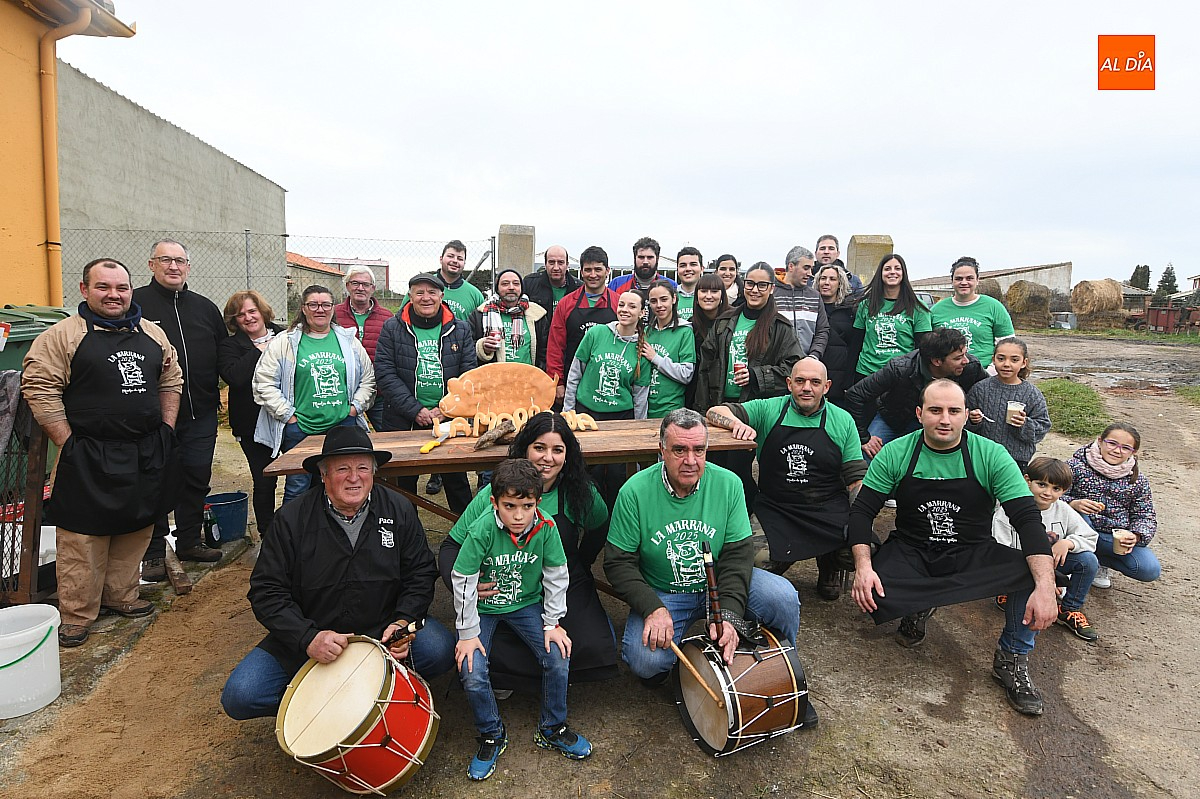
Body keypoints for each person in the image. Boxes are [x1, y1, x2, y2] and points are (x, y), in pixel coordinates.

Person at [848, 380, 1057, 715]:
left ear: (965, 415)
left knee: (1033, 575)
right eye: (935, 410)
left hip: (972, 552)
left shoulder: (991, 455)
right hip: (912, 550)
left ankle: (1011, 658)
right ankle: (918, 605)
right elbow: (861, 511)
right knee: (871, 594)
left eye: (953, 411)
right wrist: (863, 567)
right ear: (919, 414)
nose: (944, 419)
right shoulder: (897, 451)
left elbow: (1027, 519)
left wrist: (1046, 587)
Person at [220, 426, 454, 720]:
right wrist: (307, 638)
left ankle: (373, 688)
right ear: (323, 474)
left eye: (362, 468)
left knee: (441, 650)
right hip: (313, 637)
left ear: (374, 471)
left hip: (382, 633)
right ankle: (328, 705)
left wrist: (403, 619)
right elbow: (266, 591)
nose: (354, 477)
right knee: (242, 695)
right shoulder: (291, 520)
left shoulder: (399, 509)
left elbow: (420, 572)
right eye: (342, 468)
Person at [604, 410, 809, 724]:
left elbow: (739, 556)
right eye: (679, 450)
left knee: (782, 597)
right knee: (643, 660)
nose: (690, 460)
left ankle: (784, 674)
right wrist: (653, 608)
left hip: (722, 580)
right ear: (661, 450)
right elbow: (618, 563)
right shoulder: (634, 491)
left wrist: (727, 612)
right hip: (666, 590)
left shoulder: (727, 484)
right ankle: (678, 667)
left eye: (698, 450)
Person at [22, 258, 182, 646]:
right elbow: (39, 386)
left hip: (144, 450)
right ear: (84, 289)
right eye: (103, 287)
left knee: (136, 526)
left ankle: (122, 596)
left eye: (121, 288)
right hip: (88, 453)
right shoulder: (63, 336)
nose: (114, 295)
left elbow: (171, 378)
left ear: (131, 289)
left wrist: (165, 429)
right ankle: (76, 613)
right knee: (83, 536)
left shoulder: (152, 334)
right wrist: (67, 442)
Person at [438, 412, 616, 691]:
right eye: (539, 448)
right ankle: (509, 679)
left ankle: (555, 682)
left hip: (560, 582)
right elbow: (451, 546)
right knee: (493, 646)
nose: (548, 458)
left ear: (567, 455)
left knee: (590, 643)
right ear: (525, 449)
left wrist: (582, 562)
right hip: (510, 584)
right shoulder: (496, 494)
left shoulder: (581, 491)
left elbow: (600, 526)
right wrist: (463, 586)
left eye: (557, 450)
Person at [450, 458, 593, 780]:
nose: (518, 515)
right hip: (484, 609)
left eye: (526, 506)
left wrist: (552, 622)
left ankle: (552, 727)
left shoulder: (547, 527)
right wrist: (467, 632)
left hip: (525, 603)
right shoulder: (482, 528)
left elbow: (557, 575)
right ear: (494, 502)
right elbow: (462, 579)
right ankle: (491, 733)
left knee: (558, 656)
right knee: (471, 668)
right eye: (509, 506)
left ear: (537, 503)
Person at [705, 359, 867, 600]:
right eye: (800, 381)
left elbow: (856, 481)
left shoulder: (842, 420)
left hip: (827, 509)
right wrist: (738, 424)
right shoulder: (769, 409)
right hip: (778, 509)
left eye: (815, 382)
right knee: (752, 560)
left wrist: (862, 530)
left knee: (862, 549)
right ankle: (780, 562)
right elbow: (714, 412)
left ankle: (830, 566)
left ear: (827, 386)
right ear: (789, 383)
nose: (807, 388)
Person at [134, 239, 226, 580]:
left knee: (196, 476)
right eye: (166, 260)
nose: (173, 267)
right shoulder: (137, 304)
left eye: (180, 261)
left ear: (188, 267)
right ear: (151, 264)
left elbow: (224, 352)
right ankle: (155, 553)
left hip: (201, 411)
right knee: (155, 480)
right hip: (152, 415)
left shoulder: (205, 308)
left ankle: (189, 540)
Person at [693, 263, 803, 511]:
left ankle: (749, 513)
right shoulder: (725, 320)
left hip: (753, 411)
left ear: (772, 289)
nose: (755, 290)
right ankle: (727, 517)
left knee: (739, 470)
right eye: (750, 284)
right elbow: (705, 369)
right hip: (719, 409)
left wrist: (756, 376)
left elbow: (794, 369)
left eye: (762, 285)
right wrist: (702, 410)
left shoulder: (780, 327)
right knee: (715, 468)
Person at [252, 285, 375, 503]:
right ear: (303, 309)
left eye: (326, 304)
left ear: (333, 308)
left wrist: (354, 408)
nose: (320, 309)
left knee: (341, 484)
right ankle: (294, 535)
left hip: (342, 426)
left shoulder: (348, 341)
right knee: (297, 489)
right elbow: (264, 382)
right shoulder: (285, 342)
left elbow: (368, 378)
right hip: (300, 429)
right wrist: (288, 415)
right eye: (313, 305)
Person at [374, 272, 476, 513]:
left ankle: (464, 533)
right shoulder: (392, 328)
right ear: (410, 296)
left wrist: (445, 409)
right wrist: (415, 410)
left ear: (442, 295)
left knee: (456, 480)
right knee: (403, 484)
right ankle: (406, 535)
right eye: (419, 292)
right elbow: (385, 374)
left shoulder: (460, 329)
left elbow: (468, 374)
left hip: (449, 418)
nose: (426, 298)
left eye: (432, 292)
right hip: (403, 418)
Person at [993, 457, 1100, 642]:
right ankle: (1007, 593)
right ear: (1027, 481)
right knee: (1024, 607)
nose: (1047, 493)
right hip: (1018, 567)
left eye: (1056, 488)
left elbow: (1090, 537)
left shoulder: (1063, 509)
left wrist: (1067, 543)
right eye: (1042, 484)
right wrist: (1046, 582)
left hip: (1052, 564)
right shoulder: (1007, 510)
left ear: (1064, 491)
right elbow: (1000, 549)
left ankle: (1069, 609)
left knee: (1088, 561)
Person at [844, 327, 987, 457]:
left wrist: (975, 411)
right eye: (958, 358)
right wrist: (864, 438)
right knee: (867, 456)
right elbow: (855, 395)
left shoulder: (971, 367)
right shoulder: (900, 368)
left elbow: (991, 387)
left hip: (940, 422)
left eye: (964, 354)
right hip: (894, 420)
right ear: (937, 361)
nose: (965, 361)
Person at [218, 290, 284, 536]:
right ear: (234, 321)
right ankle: (267, 533)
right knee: (265, 479)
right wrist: (261, 350)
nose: (248, 318)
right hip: (252, 424)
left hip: (291, 418)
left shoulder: (286, 335)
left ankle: (293, 525)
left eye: (252, 311)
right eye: (240, 315)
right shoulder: (230, 345)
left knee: (302, 477)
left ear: (262, 311)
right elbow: (234, 377)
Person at [1064, 423, 1161, 590]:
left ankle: (1099, 563)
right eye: (1112, 443)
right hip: (1079, 531)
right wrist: (1073, 503)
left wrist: (1136, 535)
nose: (1117, 450)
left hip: (1112, 537)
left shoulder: (1138, 480)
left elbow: (1145, 515)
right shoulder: (1074, 466)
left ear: (1133, 452)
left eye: (1125, 448)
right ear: (1100, 441)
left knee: (1148, 569)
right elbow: (1049, 495)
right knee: (1078, 517)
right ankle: (1071, 566)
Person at [546, 246, 619, 407]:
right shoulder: (566, 304)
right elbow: (555, 346)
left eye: (598, 269)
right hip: (572, 385)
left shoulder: (618, 303)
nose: (593, 275)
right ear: (581, 271)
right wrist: (557, 382)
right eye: (588, 270)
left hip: (608, 384)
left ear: (607, 271)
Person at [564, 289, 651, 420]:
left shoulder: (643, 348)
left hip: (621, 416)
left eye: (632, 306)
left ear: (642, 313)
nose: (625, 310)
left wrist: (639, 426)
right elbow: (575, 374)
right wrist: (568, 411)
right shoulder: (596, 333)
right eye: (621, 305)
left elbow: (640, 396)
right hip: (585, 411)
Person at [965, 337, 1050, 471]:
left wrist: (1024, 424)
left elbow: (1043, 427)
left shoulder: (1032, 394)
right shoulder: (980, 389)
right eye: (1001, 358)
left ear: (1024, 362)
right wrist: (973, 420)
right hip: (981, 456)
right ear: (993, 360)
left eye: (1014, 360)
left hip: (1016, 460)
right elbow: (962, 423)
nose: (1006, 364)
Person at [333, 266, 394, 432]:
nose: (360, 288)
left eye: (366, 284)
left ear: (373, 288)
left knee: (387, 436)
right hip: (344, 393)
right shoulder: (333, 314)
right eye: (355, 283)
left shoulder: (387, 317)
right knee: (346, 438)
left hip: (378, 390)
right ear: (347, 286)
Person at [853, 253, 932, 380]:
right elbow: (856, 343)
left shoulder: (918, 307)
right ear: (880, 273)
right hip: (867, 372)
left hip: (902, 375)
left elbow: (923, 348)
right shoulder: (866, 305)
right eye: (887, 269)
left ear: (903, 273)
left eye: (897, 268)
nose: (892, 272)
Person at [931, 256, 1015, 366]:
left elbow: (1007, 344)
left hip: (984, 373)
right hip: (946, 375)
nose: (964, 282)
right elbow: (929, 345)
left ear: (977, 280)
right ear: (952, 281)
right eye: (959, 279)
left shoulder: (994, 307)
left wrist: (991, 372)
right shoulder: (937, 309)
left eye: (969, 278)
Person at [470, 268, 550, 370]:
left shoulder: (537, 314)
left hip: (528, 380)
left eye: (516, 284)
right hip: (493, 381)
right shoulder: (480, 314)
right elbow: (467, 347)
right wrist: (482, 347)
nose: (511, 287)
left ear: (521, 288)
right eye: (505, 284)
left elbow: (545, 350)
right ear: (497, 288)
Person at [641, 280, 696, 418]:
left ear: (674, 299)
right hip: (644, 409)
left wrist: (656, 358)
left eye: (664, 299)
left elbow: (687, 374)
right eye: (653, 301)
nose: (659, 305)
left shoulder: (684, 331)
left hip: (671, 409)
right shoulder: (646, 332)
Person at [815, 263, 862, 405]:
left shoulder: (850, 310)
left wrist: (849, 381)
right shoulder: (810, 309)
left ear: (840, 283)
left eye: (832, 279)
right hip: (814, 376)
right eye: (823, 278)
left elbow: (855, 346)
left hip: (840, 381)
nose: (826, 282)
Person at [776, 245, 829, 358]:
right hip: (776, 366)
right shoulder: (771, 294)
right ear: (791, 266)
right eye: (806, 268)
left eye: (811, 268)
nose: (810, 273)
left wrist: (814, 355)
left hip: (806, 365)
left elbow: (822, 330)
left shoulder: (815, 296)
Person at [435, 239, 487, 322]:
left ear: (464, 263)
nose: (455, 261)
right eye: (450, 256)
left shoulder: (475, 295)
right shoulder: (423, 286)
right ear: (441, 259)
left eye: (460, 258)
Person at [524, 245, 580, 317]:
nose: (556, 267)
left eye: (560, 262)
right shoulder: (529, 284)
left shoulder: (579, 288)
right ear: (545, 264)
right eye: (551, 262)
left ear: (567, 265)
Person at [609, 236, 676, 296]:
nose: (645, 262)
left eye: (650, 257)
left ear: (657, 259)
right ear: (635, 258)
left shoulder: (671, 286)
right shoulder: (616, 284)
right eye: (641, 257)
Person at [673, 246, 703, 322]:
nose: (688, 269)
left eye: (693, 264)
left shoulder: (710, 297)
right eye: (683, 265)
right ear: (677, 270)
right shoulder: (669, 296)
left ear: (702, 269)